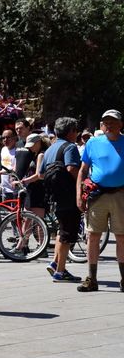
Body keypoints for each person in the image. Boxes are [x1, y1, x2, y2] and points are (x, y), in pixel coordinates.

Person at [75, 109, 124, 293]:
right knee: (93, 236)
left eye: (113, 122)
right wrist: (79, 195)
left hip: (121, 194)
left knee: (122, 237)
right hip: (98, 195)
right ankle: (92, 279)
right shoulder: (93, 143)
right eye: (106, 122)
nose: (109, 125)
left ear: (121, 124)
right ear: (102, 125)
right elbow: (82, 170)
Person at [41, 117, 82, 283]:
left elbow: (42, 173)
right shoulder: (70, 147)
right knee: (66, 233)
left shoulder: (51, 148)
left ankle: (56, 263)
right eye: (76, 130)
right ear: (71, 131)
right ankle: (60, 271)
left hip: (55, 196)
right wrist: (82, 182)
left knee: (61, 230)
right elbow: (72, 168)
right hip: (68, 195)